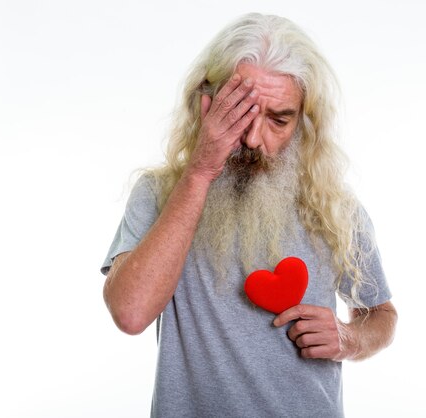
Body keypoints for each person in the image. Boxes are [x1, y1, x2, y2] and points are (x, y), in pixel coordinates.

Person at [100, 13, 397, 418]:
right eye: (240, 112)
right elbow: (130, 313)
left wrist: (349, 337)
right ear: (206, 104)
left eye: (279, 119)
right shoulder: (157, 194)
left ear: (304, 121)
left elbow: (380, 315)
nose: (255, 139)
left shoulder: (334, 207)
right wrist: (201, 171)